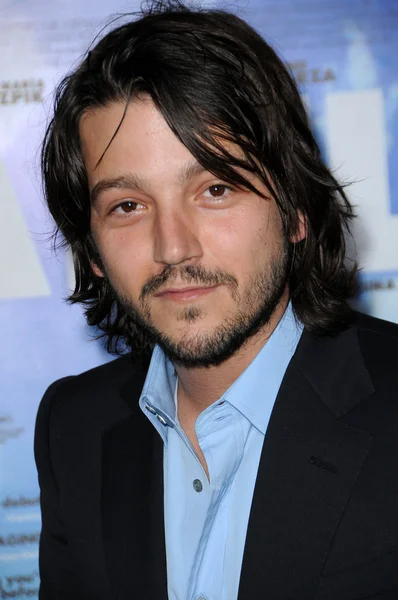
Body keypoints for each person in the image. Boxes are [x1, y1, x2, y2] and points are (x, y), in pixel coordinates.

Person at [34, 1, 398, 599]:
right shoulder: (72, 428)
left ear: (296, 208)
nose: (172, 246)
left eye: (215, 188)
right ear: (92, 250)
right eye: (128, 205)